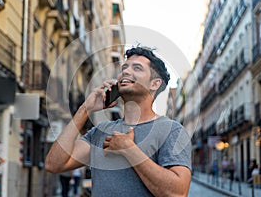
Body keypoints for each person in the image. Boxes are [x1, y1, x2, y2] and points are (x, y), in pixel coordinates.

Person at [45, 46, 192, 196]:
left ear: (154, 84)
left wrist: (129, 149)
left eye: (137, 68)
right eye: (124, 67)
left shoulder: (171, 130)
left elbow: (177, 193)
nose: (126, 72)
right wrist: (85, 109)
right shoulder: (100, 131)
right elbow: (54, 164)